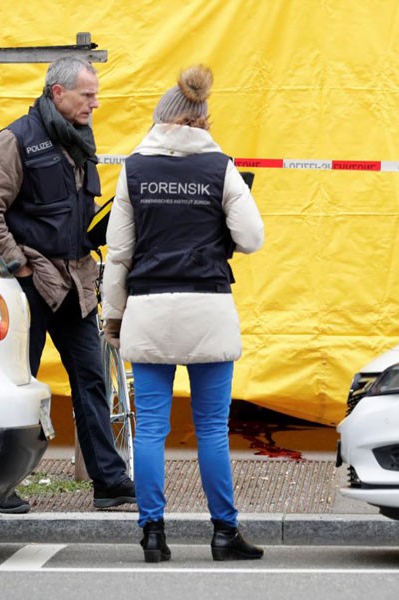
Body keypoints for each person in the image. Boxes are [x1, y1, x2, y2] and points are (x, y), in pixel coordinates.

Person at [102, 64, 265, 562]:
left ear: (161, 120)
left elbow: (119, 253)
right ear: (202, 121)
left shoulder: (134, 169)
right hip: (207, 306)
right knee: (212, 428)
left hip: (149, 308)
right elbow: (252, 238)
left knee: (151, 428)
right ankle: (223, 533)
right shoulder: (221, 169)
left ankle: (152, 533)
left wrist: (113, 317)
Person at [0, 56, 135, 513]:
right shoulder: (15, 140)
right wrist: (19, 266)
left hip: (75, 282)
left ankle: (109, 482)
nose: (95, 104)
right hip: (32, 284)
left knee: (92, 382)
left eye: (96, 95)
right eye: (87, 95)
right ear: (57, 93)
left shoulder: (78, 138)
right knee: (19, 385)